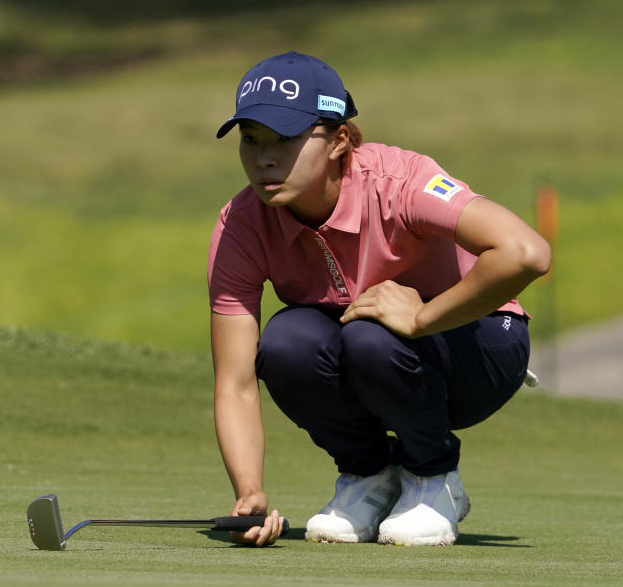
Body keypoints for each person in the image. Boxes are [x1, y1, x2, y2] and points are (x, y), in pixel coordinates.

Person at [208, 51, 551, 547]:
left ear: (340, 140)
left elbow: (526, 253)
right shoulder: (242, 223)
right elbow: (236, 381)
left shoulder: (399, 181)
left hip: (481, 350)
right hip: (371, 356)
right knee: (286, 341)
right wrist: (250, 491)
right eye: (251, 139)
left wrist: (421, 317)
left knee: (372, 335)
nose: (263, 158)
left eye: (285, 140)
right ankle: (368, 477)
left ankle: (434, 480)